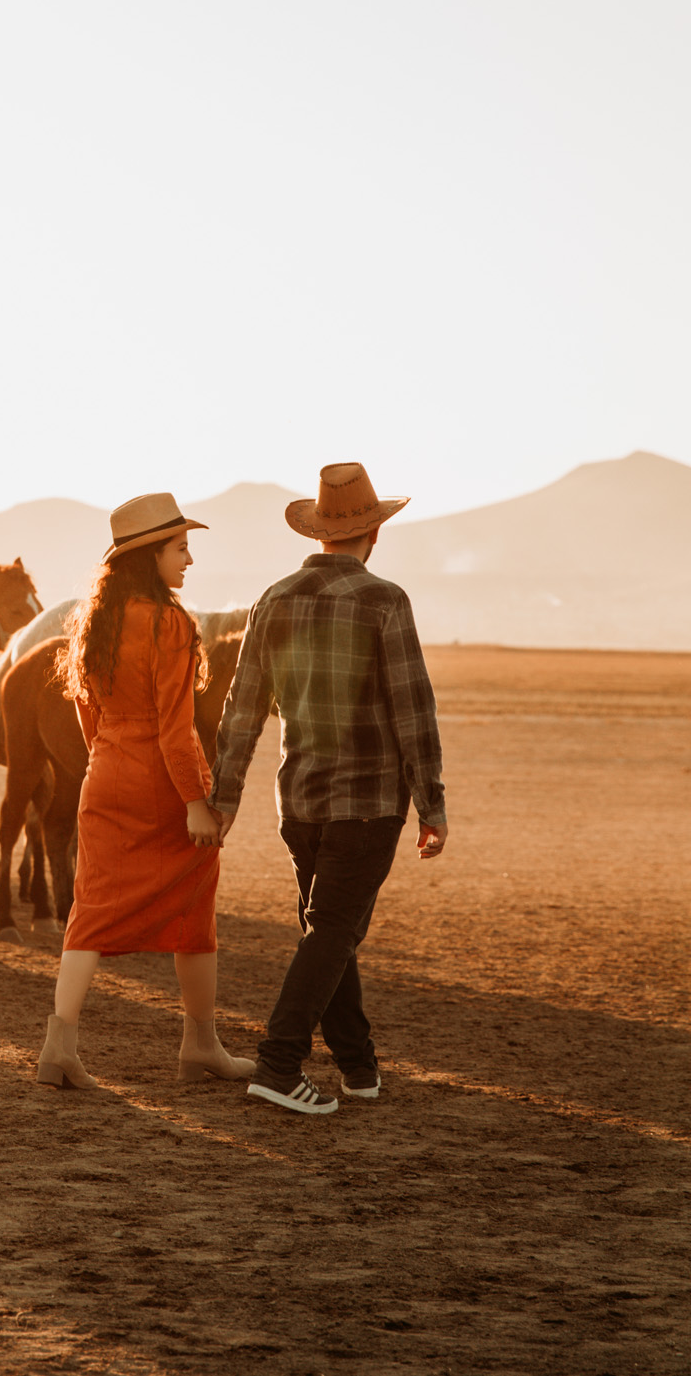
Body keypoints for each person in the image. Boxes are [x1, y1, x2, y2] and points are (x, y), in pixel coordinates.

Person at [209, 462, 448, 1116]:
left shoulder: (274, 598)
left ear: (318, 534)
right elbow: (412, 709)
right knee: (334, 928)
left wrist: (224, 795)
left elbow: (241, 705)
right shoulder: (383, 600)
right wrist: (431, 802)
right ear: (373, 536)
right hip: (367, 802)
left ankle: (356, 1064)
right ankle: (278, 1062)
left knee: (329, 930)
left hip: (301, 800)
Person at [33, 493, 260, 1091]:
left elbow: (89, 714)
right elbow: (176, 729)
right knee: (194, 911)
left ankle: (59, 1045)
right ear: (149, 556)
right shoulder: (171, 623)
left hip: (104, 777)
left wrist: (107, 757)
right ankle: (201, 1044)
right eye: (180, 548)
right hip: (162, 787)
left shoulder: (93, 620)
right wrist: (194, 802)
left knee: (90, 913)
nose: (189, 561)